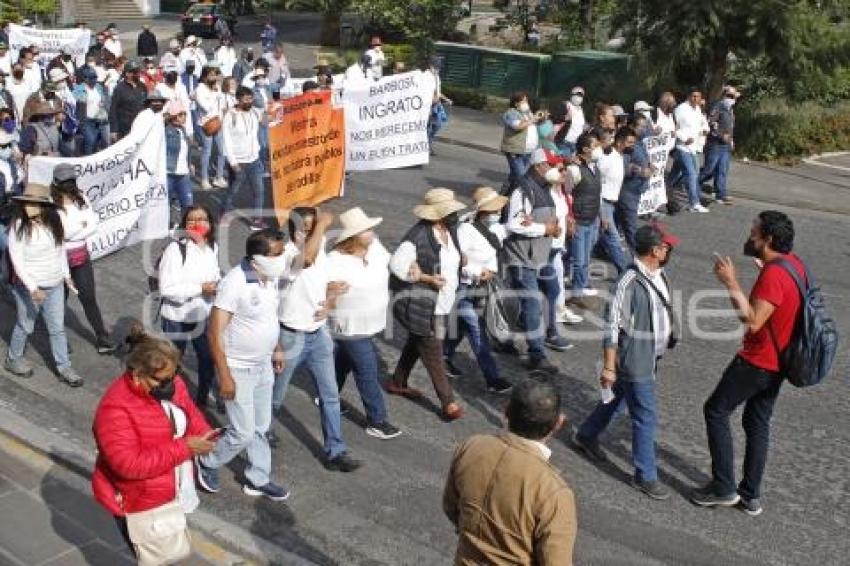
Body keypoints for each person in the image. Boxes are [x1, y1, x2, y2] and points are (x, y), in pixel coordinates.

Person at [691, 211, 803, 516]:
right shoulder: (792, 265)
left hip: (758, 361)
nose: (749, 235)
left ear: (767, 239)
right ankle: (750, 494)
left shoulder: (774, 275)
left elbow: (753, 322)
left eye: (754, 232)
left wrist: (730, 283)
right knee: (756, 423)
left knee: (715, 411)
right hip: (780, 362)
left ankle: (724, 488)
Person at [572, 224, 679, 500]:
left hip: (650, 355)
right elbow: (611, 328)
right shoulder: (627, 283)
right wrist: (609, 366)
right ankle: (645, 475)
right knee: (645, 415)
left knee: (617, 398)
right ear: (655, 251)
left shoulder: (658, 274)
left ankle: (585, 435)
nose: (670, 250)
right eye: (666, 246)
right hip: (635, 359)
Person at [91, 325, 215, 556]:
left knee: (174, 552)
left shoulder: (171, 381)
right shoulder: (115, 408)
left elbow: (189, 411)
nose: (171, 383)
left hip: (173, 486)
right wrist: (185, 448)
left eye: (174, 374)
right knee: (154, 556)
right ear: (137, 373)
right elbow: (128, 465)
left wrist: (205, 432)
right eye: (161, 380)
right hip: (139, 499)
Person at [195, 229, 292, 501]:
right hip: (237, 368)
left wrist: (276, 348)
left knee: (261, 427)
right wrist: (225, 376)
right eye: (277, 254)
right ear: (257, 257)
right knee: (242, 432)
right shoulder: (234, 283)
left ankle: (257, 478)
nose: (282, 258)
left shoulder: (268, 279)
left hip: (262, 365)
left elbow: (267, 318)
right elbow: (214, 332)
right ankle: (207, 461)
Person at [443, 377, 577, 564]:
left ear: (506, 411)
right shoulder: (553, 491)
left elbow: (451, 507)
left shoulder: (472, 446)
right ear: (558, 423)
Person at [271, 207, 364, 470]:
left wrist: (331, 300)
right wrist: (322, 224)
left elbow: (323, 281)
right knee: (276, 396)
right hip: (290, 336)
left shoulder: (318, 248)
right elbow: (307, 261)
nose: (310, 232)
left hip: (318, 334)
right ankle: (261, 431)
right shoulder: (287, 254)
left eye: (313, 227)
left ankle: (335, 450)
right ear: (292, 230)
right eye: (305, 227)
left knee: (330, 395)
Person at [325, 207, 403, 440]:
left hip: (368, 324)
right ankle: (377, 420)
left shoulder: (375, 248)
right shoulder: (335, 260)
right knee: (367, 371)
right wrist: (329, 288)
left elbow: (393, 263)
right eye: (367, 230)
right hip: (349, 326)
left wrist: (411, 268)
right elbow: (317, 284)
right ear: (353, 237)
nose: (372, 232)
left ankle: (329, 397)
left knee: (342, 363)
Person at [388, 188, 465, 421]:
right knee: (433, 349)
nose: (454, 215)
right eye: (449, 211)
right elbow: (397, 265)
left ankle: (397, 381)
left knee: (417, 340)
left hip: (443, 302)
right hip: (422, 304)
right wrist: (425, 278)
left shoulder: (450, 230)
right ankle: (447, 401)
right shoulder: (417, 236)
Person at [4, 183, 83, 386]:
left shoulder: (54, 222)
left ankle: (64, 367)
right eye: (27, 202)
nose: (29, 206)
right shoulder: (18, 227)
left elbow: (60, 251)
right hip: (29, 288)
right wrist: (33, 288)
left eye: (34, 203)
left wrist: (66, 275)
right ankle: (13, 359)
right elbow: (17, 261)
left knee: (57, 328)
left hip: (55, 285)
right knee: (25, 325)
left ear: (43, 206)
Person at [443, 186, 514, 393]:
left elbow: (493, 255)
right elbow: (455, 259)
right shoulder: (465, 230)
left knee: (463, 325)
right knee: (476, 329)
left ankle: (444, 354)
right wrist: (476, 271)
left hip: (478, 288)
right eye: (494, 210)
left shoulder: (490, 230)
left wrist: (490, 271)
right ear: (483, 212)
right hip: (462, 287)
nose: (498, 213)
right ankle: (492, 378)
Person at [503, 149, 563, 372]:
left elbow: (539, 220)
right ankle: (537, 354)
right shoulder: (523, 190)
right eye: (552, 165)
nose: (556, 169)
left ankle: (509, 334)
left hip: (538, 255)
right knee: (532, 301)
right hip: (521, 256)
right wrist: (543, 228)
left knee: (545, 293)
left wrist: (552, 229)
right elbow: (514, 224)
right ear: (539, 166)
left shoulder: (544, 188)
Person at [159, 205, 222, 409]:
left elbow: (215, 275)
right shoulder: (175, 250)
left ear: (210, 223)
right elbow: (167, 289)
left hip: (203, 315)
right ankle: (168, 400)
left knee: (207, 359)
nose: (197, 224)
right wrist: (200, 289)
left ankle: (202, 397)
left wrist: (217, 287)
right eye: (191, 221)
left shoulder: (213, 247)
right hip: (176, 317)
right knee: (172, 363)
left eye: (202, 219)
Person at [51, 164, 116, 354]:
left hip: (81, 257)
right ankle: (59, 341)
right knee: (58, 301)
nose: (70, 185)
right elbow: (60, 234)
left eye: (72, 180)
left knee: (88, 298)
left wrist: (73, 231)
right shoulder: (51, 205)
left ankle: (102, 338)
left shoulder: (82, 198)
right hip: (59, 258)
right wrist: (81, 226)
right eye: (65, 182)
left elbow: (93, 226)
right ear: (56, 183)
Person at [564, 131, 604, 309]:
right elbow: (565, 195)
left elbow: (597, 194)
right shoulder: (574, 170)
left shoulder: (595, 168)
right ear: (585, 149)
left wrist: (602, 216)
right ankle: (576, 293)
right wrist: (569, 217)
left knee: (585, 259)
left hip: (592, 219)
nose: (599, 149)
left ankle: (576, 285)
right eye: (595, 146)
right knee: (579, 260)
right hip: (579, 221)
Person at [221, 86, 265, 230]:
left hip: (255, 160)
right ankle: (224, 212)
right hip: (238, 162)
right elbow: (225, 140)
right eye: (246, 99)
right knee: (233, 191)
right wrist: (233, 162)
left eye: (251, 99)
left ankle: (257, 221)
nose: (250, 102)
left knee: (259, 191)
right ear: (238, 100)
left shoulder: (253, 112)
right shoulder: (230, 116)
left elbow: (266, 119)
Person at [700, 85, 740, 205]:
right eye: (729, 96)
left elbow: (730, 127)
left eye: (734, 96)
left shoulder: (730, 109)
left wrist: (731, 140)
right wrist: (722, 135)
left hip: (725, 146)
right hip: (715, 144)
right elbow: (711, 123)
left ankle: (720, 194)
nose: (732, 99)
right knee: (709, 170)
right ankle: (692, 183)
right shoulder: (718, 107)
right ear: (723, 96)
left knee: (722, 170)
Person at [596, 126, 629, 275]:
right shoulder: (607, 158)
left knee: (595, 239)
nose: (631, 145)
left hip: (610, 203)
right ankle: (625, 272)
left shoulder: (619, 156)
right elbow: (598, 182)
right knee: (613, 238)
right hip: (603, 203)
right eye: (609, 139)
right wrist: (602, 211)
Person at [616, 121, 653, 251]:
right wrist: (638, 170)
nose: (644, 129)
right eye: (641, 126)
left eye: (645, 126)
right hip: (628, 191)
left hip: (636, 190)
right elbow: (623, 167)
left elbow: (644, 162)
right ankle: (637, 252)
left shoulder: (640, 143)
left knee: (619, 221)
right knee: (631, 224)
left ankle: (604, 248)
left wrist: (649, 168)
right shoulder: (627, 149)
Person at [672, 87, 709, 213]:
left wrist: (705, 129)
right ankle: (694, 203)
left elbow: (704, 123)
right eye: (693, 96)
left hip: (694, 148)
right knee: (692, 174)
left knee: (674, 174)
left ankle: (663, 193)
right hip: (683, 147)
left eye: (698, 96)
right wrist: (684, 138)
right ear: (688, 96)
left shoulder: (698, 109)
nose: (696, 99)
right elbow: (674, 128)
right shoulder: (681, 109)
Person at [195, 64, 227, 190]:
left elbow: (221, 104)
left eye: (215, 74)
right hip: (206, 124)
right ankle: (204, 179)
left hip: (218, 122)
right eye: (211, 75)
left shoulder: (217, 87)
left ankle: (219, 177)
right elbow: (206, 107)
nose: (214, 77)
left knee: (221, 150)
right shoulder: (200, 90)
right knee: (206, 152)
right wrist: (215, 93)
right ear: (204, 76)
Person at [500, 92, 540, 192]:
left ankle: (504, 196)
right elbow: (517, 126)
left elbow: (532, 124)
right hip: (516, 151)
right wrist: (533, 119)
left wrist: (539, 117)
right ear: (516, 103)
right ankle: (510, 198)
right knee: (522, 178)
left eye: (526, 101)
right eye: (523, 101)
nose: (526, 103)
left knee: (515, 176)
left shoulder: (527, 112)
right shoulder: (511, 113)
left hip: (528, 151)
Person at [164, 99, 194, 214]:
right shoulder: (166, 131)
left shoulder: (183, 130)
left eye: (184, 114)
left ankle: (186, 230)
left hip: (183, 174)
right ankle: (166, 228)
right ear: (174, 116)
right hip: (169, 173)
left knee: (188, 205)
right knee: (165, 205)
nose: (184, 117)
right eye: (181, 114)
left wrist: (190, 163)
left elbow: (186, 150)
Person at [74, 66, 110, 156]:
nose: (94, 80)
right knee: (90, 141)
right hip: (87, 120)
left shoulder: (98, 87)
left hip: (101, 119)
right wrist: (81, 100)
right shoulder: (79, 89)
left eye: (95, 78)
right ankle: (88, 160)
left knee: (105, 142)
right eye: (91, 78)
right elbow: (74, 100)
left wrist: (103, 102)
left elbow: (105, 99)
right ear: (85, 79)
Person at [109, 59, 146, 140]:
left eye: (138, 71)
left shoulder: (142, 86)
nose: (138, 74)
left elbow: (146, 105)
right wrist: (113, 130)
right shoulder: (119, 88)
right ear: (128, 73)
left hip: (141, 127)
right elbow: (113, 109)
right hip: (125, 129)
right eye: (135, 72)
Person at [560, 86, 586, 156]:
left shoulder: (580, 109)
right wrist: (564, 117)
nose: (579, 97)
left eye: (581, 95)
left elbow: (581, 124)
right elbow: (556, 118)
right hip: (565, 141)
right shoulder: (566, 105)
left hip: (576, 143)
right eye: (577, 95)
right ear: (572, 95)